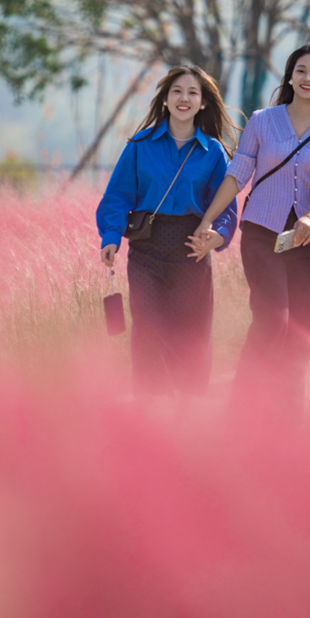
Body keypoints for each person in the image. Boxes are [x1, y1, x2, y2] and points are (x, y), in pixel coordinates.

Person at [190, 43, 310, 412]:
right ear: (290, 76)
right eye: (301, 70)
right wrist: (207, 219)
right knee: (272, 320)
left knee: (302, 335)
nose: (307, 78)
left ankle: (285, 424)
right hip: (263, 232)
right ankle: (243, 413)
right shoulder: (263, 120)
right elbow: (237, 175)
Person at [97, 65, 238, 397]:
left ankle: (188, 413)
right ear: (165, 99)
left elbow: (226, 207)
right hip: (147, 251)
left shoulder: (214, 152)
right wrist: (111, 237)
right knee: (146, 330)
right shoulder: (140, 145)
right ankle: (150, 409)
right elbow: (117, 196)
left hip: (192, 251)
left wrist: (218, 236)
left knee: (189, 336)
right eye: (177, 91)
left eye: (192, 92)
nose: (184, 98)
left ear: (203, 103)